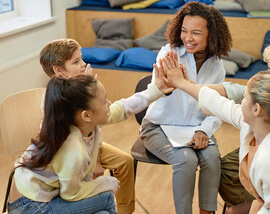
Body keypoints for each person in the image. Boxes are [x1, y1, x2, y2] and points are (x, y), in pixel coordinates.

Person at [160, 56, 270, 213]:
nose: (240, 102)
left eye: (244, 98)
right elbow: (220, 104)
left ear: (256, 109)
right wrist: (182, 83)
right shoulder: (261, 124)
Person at [9, 63, 172, 213]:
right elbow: (71, 195)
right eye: (103, 101)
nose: (109, 104)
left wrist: (155, 90)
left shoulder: (84, 120)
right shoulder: (72, 149)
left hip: (47, 195)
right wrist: (107, 183)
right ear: (87, 115)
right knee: (107, 197)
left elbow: (123, 108)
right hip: (30, 206)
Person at [139, 1, 232, 214]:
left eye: (196, 33)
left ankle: (206, 212)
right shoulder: (168, 53)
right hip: (159, 128)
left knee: (212, 159)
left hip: (197, 128)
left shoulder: (217, 64)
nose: (188, 38)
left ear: (212, 35)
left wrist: (203, 130)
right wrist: (169, 84)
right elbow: (159, 89)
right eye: (184, 31)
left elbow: (217, 107)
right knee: (186, 160)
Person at [38, 38, 134, 213]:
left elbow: (94, 129)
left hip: (89, 143)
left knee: (125, 161)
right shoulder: (54, 99)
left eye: (81, 59)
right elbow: (77, 140)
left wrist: (90, 90)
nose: (83, 64)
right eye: (76, 62)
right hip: (68, 150)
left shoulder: (80, 89)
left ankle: (126, 210)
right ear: (58, 70)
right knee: (90, 178)